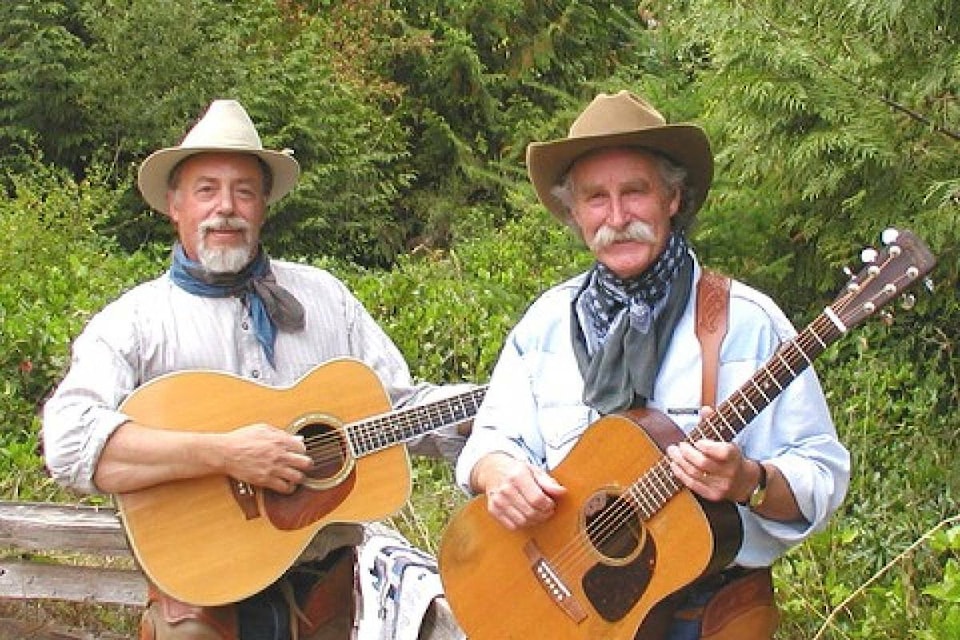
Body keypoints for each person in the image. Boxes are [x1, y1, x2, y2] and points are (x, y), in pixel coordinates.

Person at [42, 99, 470, 640]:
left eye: (244, 190)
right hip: (199, 603)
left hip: (323, 602)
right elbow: (69, 440)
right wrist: (225, 453)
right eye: (206, 190)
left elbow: (397, 409)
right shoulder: (136, 321)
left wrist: (490, 407)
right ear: (174, 206)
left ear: (264, 205)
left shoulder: (326, 298)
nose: (226, 208)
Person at [454, 90, 850, 639]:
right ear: (574, 213)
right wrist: (498, 474)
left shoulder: (747, 322)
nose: (617, 217)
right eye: (596, 198)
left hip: (706, 615)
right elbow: (492, 439)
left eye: (635, 192)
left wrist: (750, 481)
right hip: (572, 616)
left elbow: (821, 475)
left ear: (672, 198)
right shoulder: (545, 322)